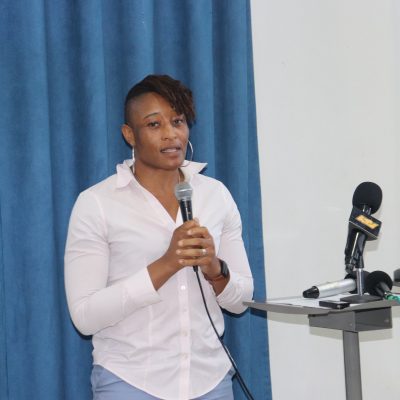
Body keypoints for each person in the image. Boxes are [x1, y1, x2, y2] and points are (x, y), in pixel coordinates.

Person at [64, 74, 254, 400]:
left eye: (178, 121)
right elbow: (85, 317)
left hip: (210, 381)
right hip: (131, 381)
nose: (170, 134)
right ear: (129, 134)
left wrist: (214, 268)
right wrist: (167, 264)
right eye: (154, 124)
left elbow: (241, 301)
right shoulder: (96, 204)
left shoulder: (216, 196)